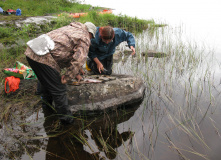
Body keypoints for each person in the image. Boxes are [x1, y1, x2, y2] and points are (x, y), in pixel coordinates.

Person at [24, 22, 96, 124]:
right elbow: (79, 60)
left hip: (31, 51)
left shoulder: (69, 28)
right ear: (90, 33)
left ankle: (46, 107)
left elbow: (63, 50)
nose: (91, 39)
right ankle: (67, 121)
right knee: (59, 90)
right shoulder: (85, 37)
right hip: (43, 57)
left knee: (46, 80)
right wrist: (67, 77)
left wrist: (76, 71)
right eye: (92, 37)